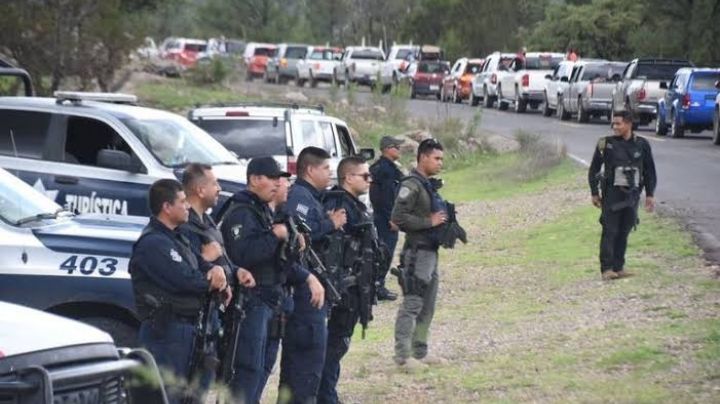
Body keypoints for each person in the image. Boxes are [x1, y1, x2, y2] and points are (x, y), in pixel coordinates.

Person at [130, 179, 227, 404]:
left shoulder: (177, 236)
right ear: (167, 207)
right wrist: (210, 281)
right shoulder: (153, 243)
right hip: (167, 333)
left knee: (191, 395)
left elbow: (199, 263)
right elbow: (184, 279)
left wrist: (216, 270)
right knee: (168, 395)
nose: (188, 207)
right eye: (182, 202)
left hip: (188, 330)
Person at [219, 157, 293, 403]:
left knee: (261, 366)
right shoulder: (241, 211)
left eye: (278, 178)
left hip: (269, 298)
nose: (277, 183)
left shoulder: (261, 209)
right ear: (254, 179)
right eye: (271, 177)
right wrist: (275, 235)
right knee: (247, 368)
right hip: (251, 299)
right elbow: (244, 254)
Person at [179, 163, 256, 397]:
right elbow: (187, 268)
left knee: (205, 381)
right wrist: (206, 259)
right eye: (214, 183)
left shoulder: (207, 221)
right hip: (195, 317)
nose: (219, 188)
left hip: (214, 315)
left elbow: (221, 257)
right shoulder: (186, 224)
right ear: (200, 190)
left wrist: (236, 271)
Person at [280, 146, 346, 403]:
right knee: (303, 368)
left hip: (316, 288)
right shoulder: (299, 197)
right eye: (326, 168)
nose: (330, 174)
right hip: (304, 293)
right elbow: (301, 237)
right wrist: (331, 224)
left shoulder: (312, 197)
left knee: (310, 368)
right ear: (310, 170)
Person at [318, 156, 381, 404]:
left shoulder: (355, 205)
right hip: (340, 290)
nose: (369, 180)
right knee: (332, 347)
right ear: (348, 178)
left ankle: (328, 394)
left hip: (352, 288)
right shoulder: (338, 205)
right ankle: (326, 397)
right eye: (365, 176)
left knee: (337, 346)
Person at [257, 173, 326, 400]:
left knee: (264, 369)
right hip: (262, 305)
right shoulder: (256, 217)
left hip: (279, 304)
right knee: (253, 373)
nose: (288, 185)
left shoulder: (283, 216)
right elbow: (270, 260)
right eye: (284, 181)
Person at [392, 138, 448, 370]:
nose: (440, 163)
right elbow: (397, 218)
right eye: (436, 158)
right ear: (423, 157)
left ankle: (420, 352)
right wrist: (429, 221)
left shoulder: (427, 184)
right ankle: (404, 356)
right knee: (413, 303)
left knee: (428, 306)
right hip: (417, 252)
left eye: (441, 159)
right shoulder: (412, 185)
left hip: (431, 251)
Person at [589, 110, 656, 280]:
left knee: (624, 230)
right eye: (614, 123)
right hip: (612, 194)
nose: (615, 127)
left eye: (618, 123)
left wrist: (650, 194)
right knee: (610, 230)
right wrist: (594, 192)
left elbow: (649, 171)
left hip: (632, 195)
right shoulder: (606, 144)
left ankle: (619, 267)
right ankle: (606, 269)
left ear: (629, 124)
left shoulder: (642, 144)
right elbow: (594, 169)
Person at [369, 136, 405, 302]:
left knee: (382, 251)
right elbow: (384, 198)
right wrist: (392, 218)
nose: (399, 149)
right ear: (387, 149)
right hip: (385, 218)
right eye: (396, 147)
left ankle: (376, 285)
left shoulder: (385, 167)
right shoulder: (385, 170)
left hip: (382, 216)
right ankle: (377, 286)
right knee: (384, 252)